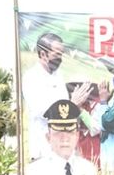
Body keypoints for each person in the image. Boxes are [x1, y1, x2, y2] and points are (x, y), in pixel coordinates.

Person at [27, 100, 105, 175]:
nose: (65, 139)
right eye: (58, 133)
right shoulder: (35, 171)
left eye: (70, 132)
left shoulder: (88, 169)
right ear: (48, 137)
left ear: (77, 136)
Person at [22, 31, 90, 159]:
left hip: (63, 147)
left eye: (61, 54)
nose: (60, 58)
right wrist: (71, 104)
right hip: (43, 149)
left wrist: (75, 104)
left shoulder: (58, 75)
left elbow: (64, 106)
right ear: (43, 54)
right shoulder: (31, 77)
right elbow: (42, 111)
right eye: (57, 54)